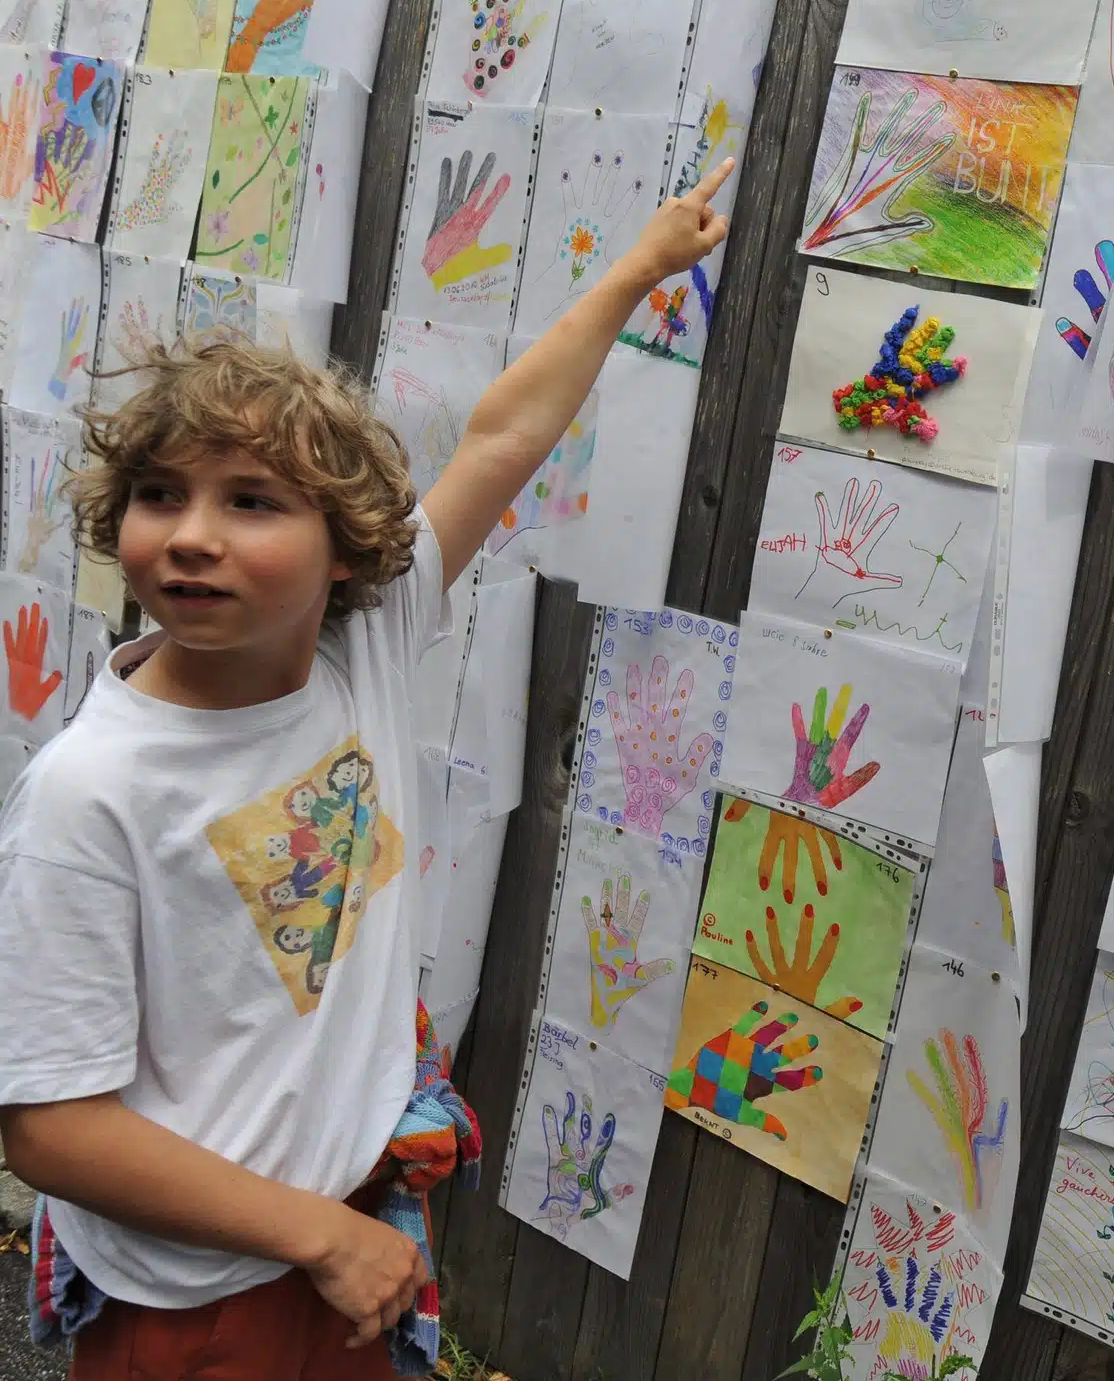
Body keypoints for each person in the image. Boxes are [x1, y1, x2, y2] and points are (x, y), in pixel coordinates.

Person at [0, 157, 736, 1380]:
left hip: (342, 1223)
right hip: (206, 1298)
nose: (192, 535)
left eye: (252, 502)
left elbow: (503, 434)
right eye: (159, 495)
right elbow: (48, 1129)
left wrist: (638, 271)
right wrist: (320, 1238)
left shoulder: (367, 649)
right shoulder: (91, 794)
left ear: (346, 552)